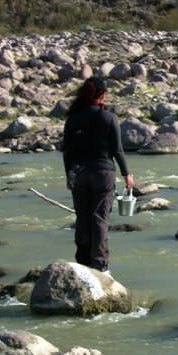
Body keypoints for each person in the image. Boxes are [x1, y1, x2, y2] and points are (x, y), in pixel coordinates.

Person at [62, 77, 133, 272]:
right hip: (103, 173)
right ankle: (100, 264)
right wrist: (127, 174)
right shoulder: (108, 118)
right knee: (99, 218)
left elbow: (66, 151)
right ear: (102, 95)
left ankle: (82, 261)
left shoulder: (73, 118)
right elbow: (117, 150)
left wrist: (69, 175)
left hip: (79, 173)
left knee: (82, 218)